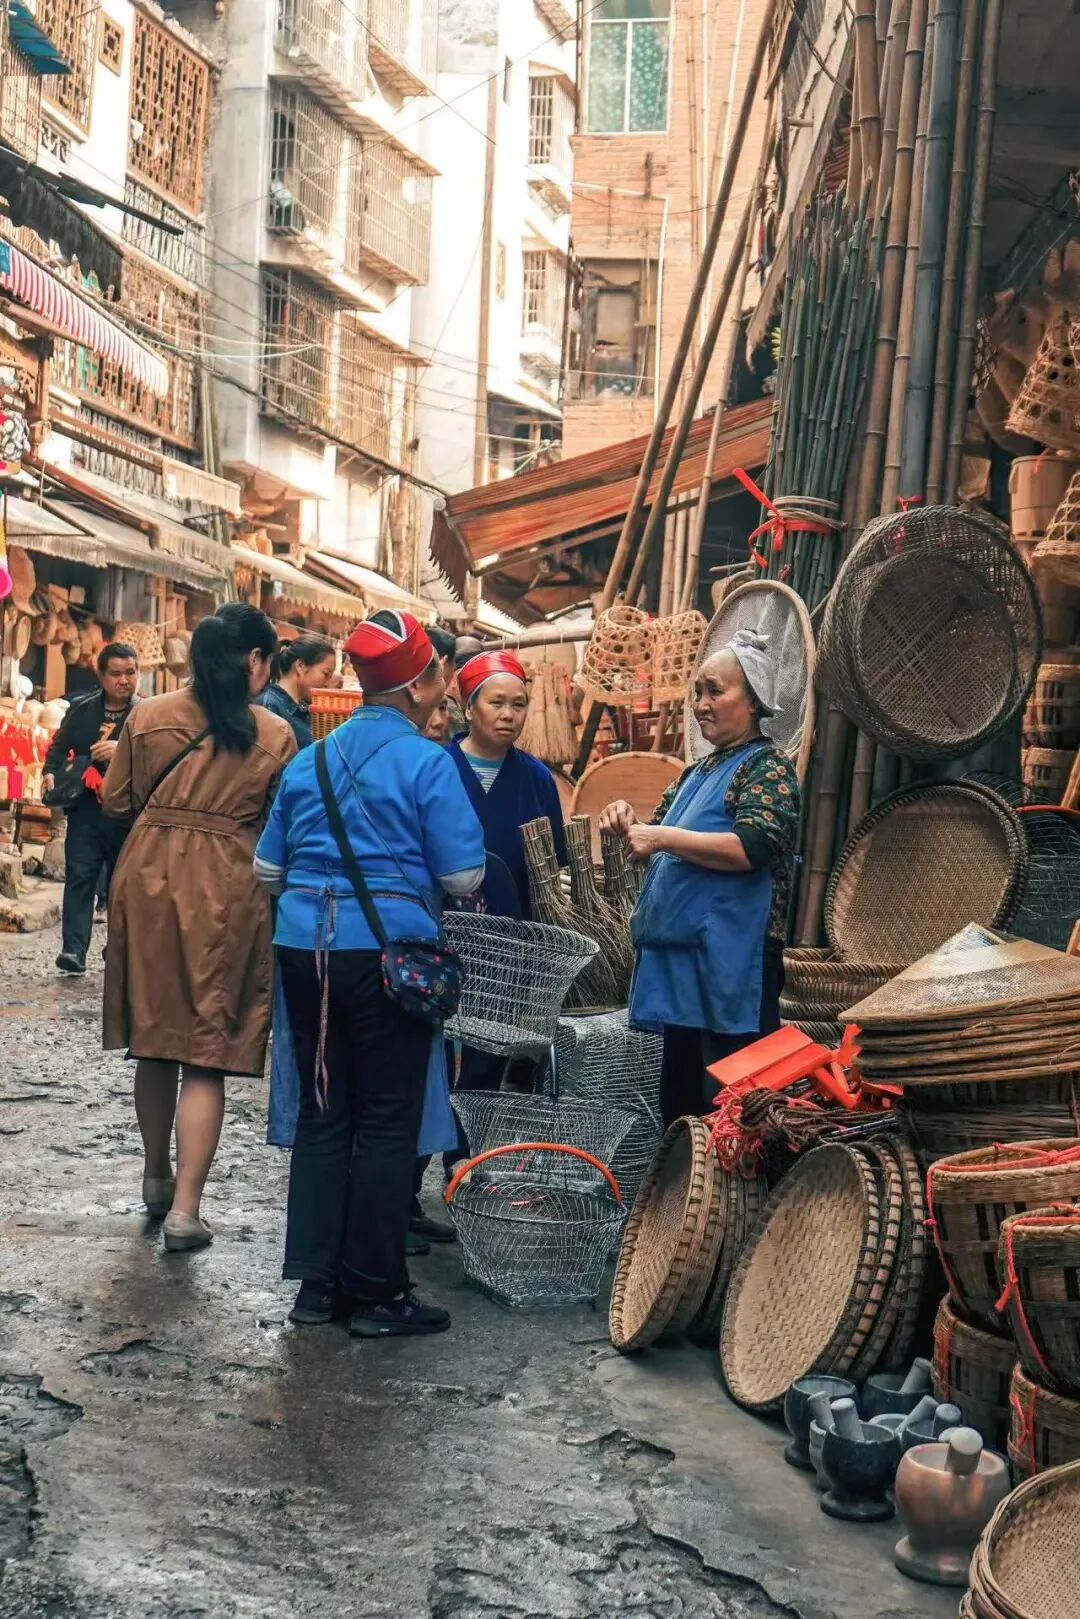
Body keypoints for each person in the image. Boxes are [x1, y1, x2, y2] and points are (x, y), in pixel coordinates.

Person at [254, 610, 486, 1338]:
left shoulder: (309, 758)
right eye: (438, 674)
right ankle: (379, 1292)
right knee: (387, 1122)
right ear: (419, 683)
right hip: (389, 958)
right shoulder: (426, 761)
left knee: (326, 1114)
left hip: (304, 949)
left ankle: (317, 1288)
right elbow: (463, 874)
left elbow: (268, 868)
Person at [101, 604, 296, 1251]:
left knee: (154, 1038)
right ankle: (186, 1210)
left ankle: (155, 1176)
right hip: (228, 888)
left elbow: (117, 801)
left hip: (148, 876)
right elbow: (281, 828)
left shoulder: (147, 717)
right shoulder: (273, 734)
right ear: (256, 662)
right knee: (205, 1051)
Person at [600, 630, 800, 1129]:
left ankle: (732, 1204)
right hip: (686, 964)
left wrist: (661, 837)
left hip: (735, 964)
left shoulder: (767, 767)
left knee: (732, 1106)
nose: (701, 704)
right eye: (698, 693)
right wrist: (629, 822)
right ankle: (684, 1202)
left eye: (715, 691)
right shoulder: (698, 771)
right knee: (681, 1105)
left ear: (753, 700)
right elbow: (651, 841)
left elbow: (751, 848)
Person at [448, 650, 567, 918]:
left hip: (523, 933)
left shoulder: (537, 776)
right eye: (496, 702)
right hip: (452, 928)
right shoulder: (439, 769)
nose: (508, 715)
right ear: (469, 708)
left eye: (518, 705)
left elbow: (557, 860)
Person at [44, 642, 139, 975]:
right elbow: (57, 750)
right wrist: (50, 774)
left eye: (131, 672)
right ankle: (73, 950)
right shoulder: (82, 710)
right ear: (101, 675)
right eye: (116, 673)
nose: (124, 680)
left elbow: (156, 759)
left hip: (128, 816)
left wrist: (121, 749)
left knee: (122, 887)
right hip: (85, 811)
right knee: (80, 877)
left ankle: (118, 950)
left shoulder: (146, 715)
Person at [255, 635, 337, 750]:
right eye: (325, 674)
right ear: (300, 666)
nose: (327, 684)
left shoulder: (306, 709)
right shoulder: (269, 706)